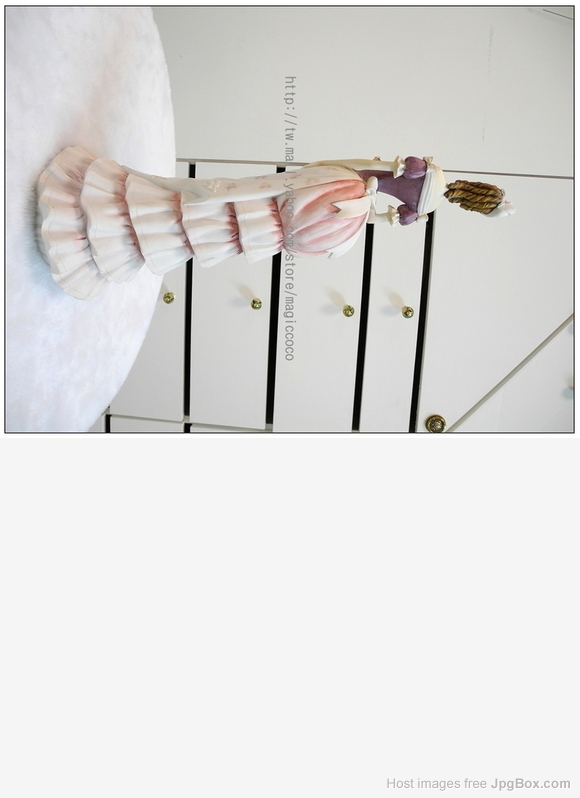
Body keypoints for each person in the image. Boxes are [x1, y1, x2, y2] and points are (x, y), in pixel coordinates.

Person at [36, 146, 515, 300]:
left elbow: (273, 186)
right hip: (250, 232)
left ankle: (95, 225)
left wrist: (220, 189)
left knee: (182, 215)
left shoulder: (344, 188)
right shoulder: (351, 220)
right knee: (184, 230)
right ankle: (104, 237)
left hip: (247, 213)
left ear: (412, 174)